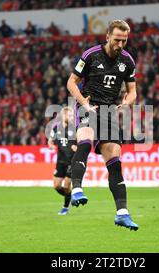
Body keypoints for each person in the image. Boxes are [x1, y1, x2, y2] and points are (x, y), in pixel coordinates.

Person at [66, 19, 138, 230]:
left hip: (110, 113)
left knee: (115, 162)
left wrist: (127, 103)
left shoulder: (128, 61)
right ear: (108, 36)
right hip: (89, 106)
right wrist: (83, 103)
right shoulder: (90, 55)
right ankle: (77, 189)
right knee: (85, 142)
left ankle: (122, 213)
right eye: (117, 40)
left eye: (124, 41)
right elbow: (71, 82)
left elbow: (132, 90)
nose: (120, 44)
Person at [48, 107, 77, 215]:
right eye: (69, 115)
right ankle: (70, 197)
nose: (71, 117)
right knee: (56, 186)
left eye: (72, 116)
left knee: (67, 185)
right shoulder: (56, 128)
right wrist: (51, 146)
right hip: (60, 161)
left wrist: (77, 147)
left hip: (72, 161)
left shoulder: (75, 128)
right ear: (63, 116)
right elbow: (50, 141)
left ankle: (65, 208)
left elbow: (83, 144)